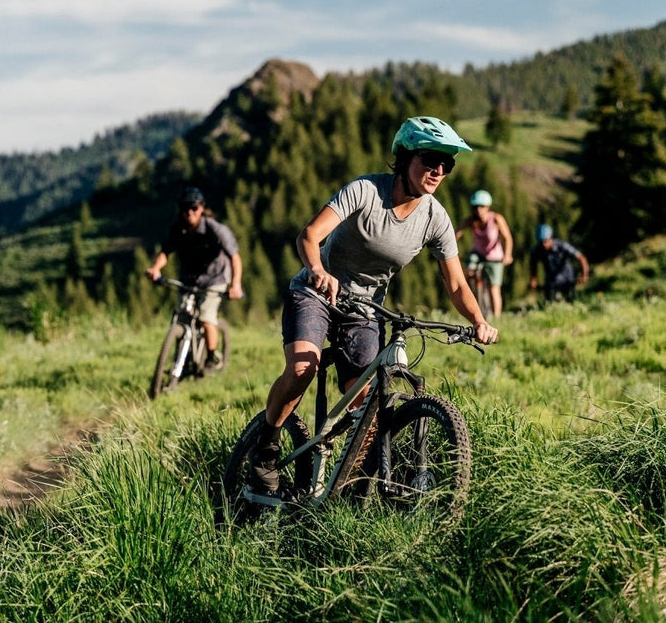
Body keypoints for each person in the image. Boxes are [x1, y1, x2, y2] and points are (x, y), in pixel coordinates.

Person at [247, 116, 498, 496]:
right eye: (430, 159)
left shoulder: (435, 218)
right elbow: (309, 236)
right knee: (302, 369)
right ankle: (265, 447)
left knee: (366, 403)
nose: (438, 170)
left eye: (447, 164)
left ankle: (348, 487)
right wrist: (317, 270)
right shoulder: (365, 191)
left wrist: (479, 319)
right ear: (405, 157)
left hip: (365, 311)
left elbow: (457, 283)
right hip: (316, 293)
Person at [144, 186, 244, 368]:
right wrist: (155, 269)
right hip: (189, 279)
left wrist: (236, 285)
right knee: (181, 316)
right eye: (185, 208)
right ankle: (181, 359)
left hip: (215, 278)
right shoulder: (178, 228)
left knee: (206, 317)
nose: (189, 212)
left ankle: (211, 357)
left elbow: (235, 257)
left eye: (194, 207)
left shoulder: (215, 229)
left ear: (202, 208)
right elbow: (165, 252)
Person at [456, 189, 515, 318]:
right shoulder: (470, 221)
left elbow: (508, 238)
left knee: (494, 288)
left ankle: (497, 318)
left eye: (482, 206)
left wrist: (507, 255)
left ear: (488, 207)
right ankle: (472, 298)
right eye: (476, 207)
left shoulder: (496, 219)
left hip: (494, 257)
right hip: (477, 254)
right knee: (468, 273)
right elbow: (456, 235)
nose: (478, 210)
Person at [527, 224, 589, 303]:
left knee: (572, 302)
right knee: (549, 304)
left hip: (567, 279)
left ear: (551, 238)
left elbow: (581, 258)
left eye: (545, 241)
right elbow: (533, 264)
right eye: (541, 242)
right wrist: (533, 279)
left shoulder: (562, 246)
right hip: (551, 282)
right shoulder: (537, 250)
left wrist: (584, 275)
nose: (543, 244)